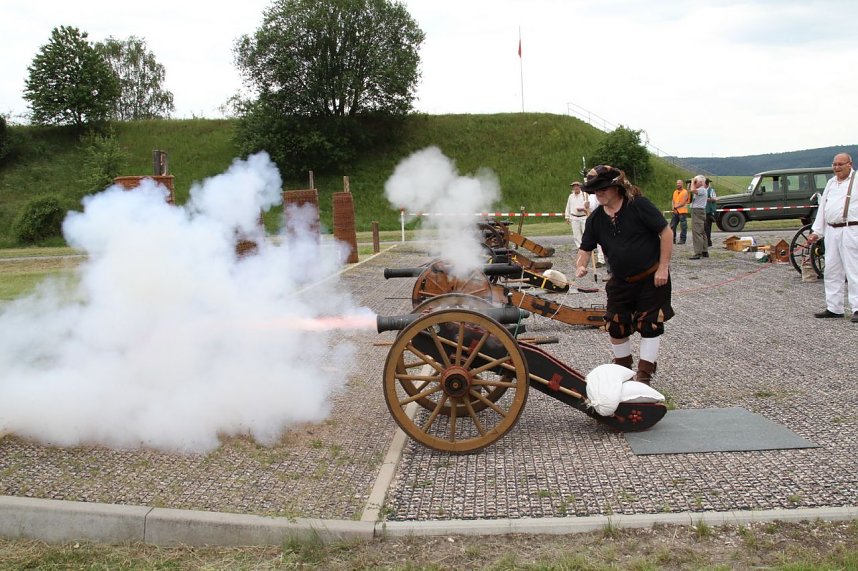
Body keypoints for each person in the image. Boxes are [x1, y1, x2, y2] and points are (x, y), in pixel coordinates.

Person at [575, 165, 674, 384]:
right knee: (616, 325)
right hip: (620, 280)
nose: (597, 194)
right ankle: (623, 371)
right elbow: (585, 248)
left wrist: (663, 267)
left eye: (602, 189)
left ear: (616, 188)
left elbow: (666, 232)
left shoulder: (639, 206)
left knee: (650, 324)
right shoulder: (595, 219)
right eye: (594, 191)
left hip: (651, 277)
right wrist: (581, 265)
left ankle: (644, 375)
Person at [808, 152, 858, 322]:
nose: (837, 167)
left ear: (849, 164)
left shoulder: (857, 181)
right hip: (832, 231)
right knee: (831, 269)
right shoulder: (831, 183)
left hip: (851, 230)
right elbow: (823, 208)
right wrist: (817, 232)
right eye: (834, 164)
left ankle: (857, 308)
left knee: (854, 270)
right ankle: (834, 308)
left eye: (840, 164)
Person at [688, 174, 709, 259]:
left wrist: (693, 181)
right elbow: (690, 190)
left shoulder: (702, 189)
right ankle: (704, 251)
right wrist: (691, 183)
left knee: (697, 232)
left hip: (698, 212)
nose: (694, 183)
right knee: (702, 231)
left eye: (696, 181)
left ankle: (698, 252)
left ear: (700, 182)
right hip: (699, 211)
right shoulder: (701, 190)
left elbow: (692, 190)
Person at [564, 181, 589, 249]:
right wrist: (567, 217)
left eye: (577, 186)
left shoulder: (584, 195)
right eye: (574, 186)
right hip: (574, 217)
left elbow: (589, 205)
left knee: (586, 233)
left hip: (584, 217)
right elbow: (568, 206)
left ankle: (587, 247)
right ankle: (580, 248)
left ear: (580, 186)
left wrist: (583, 209)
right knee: (576, 234)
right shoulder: (571, 196)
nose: (575, 187)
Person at [587, 190, 607, 269]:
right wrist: (586, 206)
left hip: (603, 218)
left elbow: (600, 205)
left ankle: (604, 259)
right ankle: (601, 259)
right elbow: (590, 209)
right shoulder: (590, 196)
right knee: (599, 241)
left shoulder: (602, 194)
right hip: (595, 220)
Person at [669, 179, 690, 244]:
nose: (678, 184)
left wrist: (675, 207)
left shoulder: (685, 192)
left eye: (679, 183)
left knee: (683, 226)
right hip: (675, 211)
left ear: (682, 184)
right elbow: (673, 200)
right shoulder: (675, 192)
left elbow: (683, 202)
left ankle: (682, 240)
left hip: (682, 212)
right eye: (677, 183)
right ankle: (672, 239)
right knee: (672, 225)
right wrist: (673, 207)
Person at [705, 179, 718, 247]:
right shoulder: (702, 190)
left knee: (707, 228)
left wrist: (706, 199)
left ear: (706, 184)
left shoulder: (711, 190)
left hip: (709, 212)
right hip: (704, 211)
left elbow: (715, 198)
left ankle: (708, 242)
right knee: (705, 228)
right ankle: (707, 242)